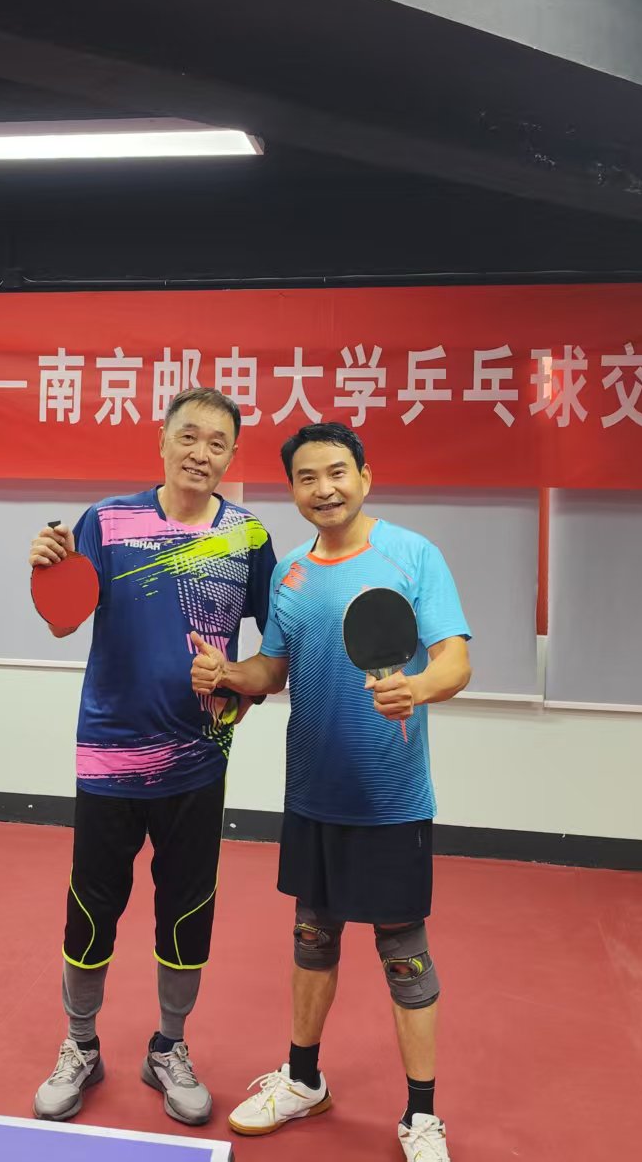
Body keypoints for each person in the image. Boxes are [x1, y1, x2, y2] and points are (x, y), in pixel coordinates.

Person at [191, 421, 472, 1162]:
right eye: (308, 477)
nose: (325, 488)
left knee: (403, 951)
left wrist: (417, 687)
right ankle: (304, 1079)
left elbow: (455, 660)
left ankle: (422, 1115)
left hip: (391, 799)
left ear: (365, 477)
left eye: (338, 472)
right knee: (312, 938)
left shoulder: (412, 554)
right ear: (293, 490)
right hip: (313, 793)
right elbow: (273, 670)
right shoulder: (289, 572)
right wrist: (229, 673)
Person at [27, 387, 276, 1126]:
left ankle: (169, 1045)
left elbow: (276, 657)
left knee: (187, 906)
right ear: (162, 440)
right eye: (188, 437)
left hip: (198, 760)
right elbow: (64, 619)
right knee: (92, 905)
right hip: (109, 756)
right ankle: (80, 1043)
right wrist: (45, 566)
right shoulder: (107, 522)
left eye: (218, 443)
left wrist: (235, 680)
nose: (201, 453)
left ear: (232, 456)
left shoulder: (248, 537)